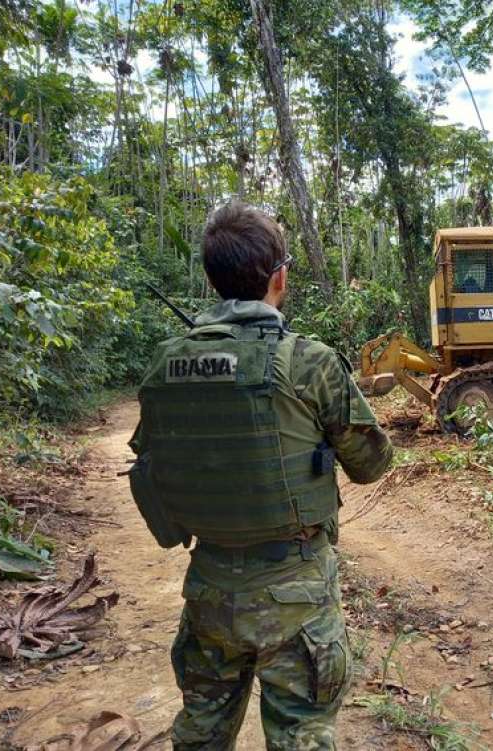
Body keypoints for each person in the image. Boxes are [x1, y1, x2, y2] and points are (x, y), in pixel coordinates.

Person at [128, 201, 393, 750]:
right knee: (301, 736)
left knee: (201, 735)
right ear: (280, 276)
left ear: (210, 278)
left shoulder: (164, 364)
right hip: (295, 597)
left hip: (208, 590)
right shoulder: (308, 363)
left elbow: (152, 469)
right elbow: (370, 464)